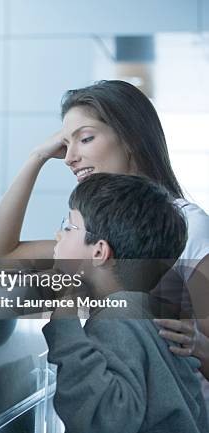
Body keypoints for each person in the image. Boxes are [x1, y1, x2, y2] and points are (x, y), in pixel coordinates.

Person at [0, 80, 209, 380]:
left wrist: (198, 345)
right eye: (65, 143)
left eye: (84, 139)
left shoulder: (190, 226)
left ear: (132, 139)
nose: (70, 157)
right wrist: (37, 158)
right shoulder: (84, 228)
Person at [44, 172, 207, 433]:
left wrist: (64, 320)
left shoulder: (117, 317)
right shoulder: (148, 312)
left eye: (68, 227)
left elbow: (104, 420)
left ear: (98, 251)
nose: (58, 235)